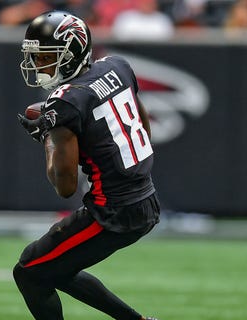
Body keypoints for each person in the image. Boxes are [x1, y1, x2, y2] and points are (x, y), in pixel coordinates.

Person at [14, 10, 161, 320]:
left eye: (45, 57)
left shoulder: (65, 102)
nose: (39, 65)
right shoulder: (117, 66)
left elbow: (64, 187)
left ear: (71, 53)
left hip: (113, 211)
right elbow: (144, 131)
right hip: (145, 197)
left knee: (29, 272)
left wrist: (48, 136)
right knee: (51, 268)